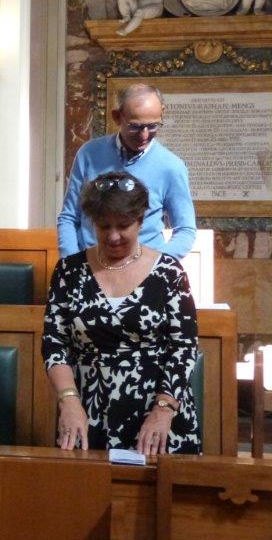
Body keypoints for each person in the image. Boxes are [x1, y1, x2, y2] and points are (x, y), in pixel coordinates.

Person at [44, 171, 200, 454]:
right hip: (85, 411)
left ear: (141, 220)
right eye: (104, 226)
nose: (113, 236)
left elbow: (184, 347)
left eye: (123, 225)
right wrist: (68, 400)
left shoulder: (169, 272)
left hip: (158, 413)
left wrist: (163, 409)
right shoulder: (69, 271)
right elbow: (54, 343)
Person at [57, 83, 196, 260]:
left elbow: (185, 230)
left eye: (153, 126)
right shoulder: (89, 154)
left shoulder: (172, 166)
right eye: (135, 126)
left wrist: (157, 266)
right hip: (90, 265)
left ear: (163, 113)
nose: (144, 135)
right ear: (117, 116)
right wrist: (71, 263)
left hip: (145, 269)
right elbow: (69, 217)